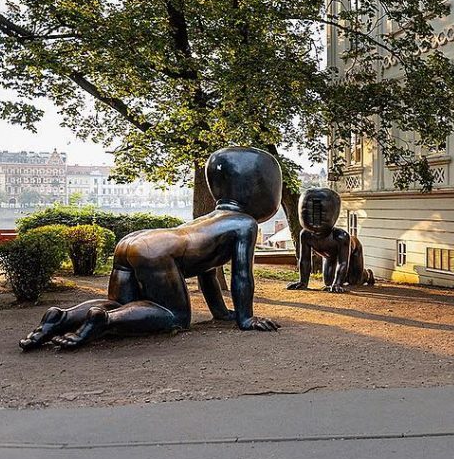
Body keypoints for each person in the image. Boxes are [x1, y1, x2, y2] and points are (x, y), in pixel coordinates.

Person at [19, 146, 282, 350]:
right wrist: (245, 319)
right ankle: (105, 321)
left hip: (134, 241)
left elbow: (209, 273)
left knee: (120, 302)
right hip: (158, 251)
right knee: (175, 316)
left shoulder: (207, 219)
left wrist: (221, 313)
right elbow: (242, 275)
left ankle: (62, 318)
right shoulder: (244, 223)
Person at [286, 188, 374, 293]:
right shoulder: (305, 235)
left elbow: (343, 262)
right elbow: (305, 260)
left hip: (354, 251)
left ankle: (367, 275)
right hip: (329, 256)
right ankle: (342, 278)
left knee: (354, 281)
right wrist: (303, 282)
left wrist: (337, 284)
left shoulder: (341, 237)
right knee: (328, 282)